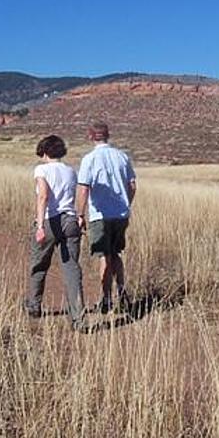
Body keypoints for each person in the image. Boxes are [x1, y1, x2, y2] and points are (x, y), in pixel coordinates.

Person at [25, 135, 86, 331]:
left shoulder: (41, 169)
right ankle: (78, 318)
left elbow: (43, 195)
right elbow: (77, 194)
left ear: (45, 151)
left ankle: (34, 306)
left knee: (39, 264)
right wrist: (80, 215)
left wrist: (40, 225)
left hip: (50, 220)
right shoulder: (70, 171)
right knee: (71, 269)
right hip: (70, 220)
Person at [75, 121, 137, 314]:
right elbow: (133, 185)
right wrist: (126, 203)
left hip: (100, 214)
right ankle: (122, 291)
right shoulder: (122, 156)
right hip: (120, 213)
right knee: (116, 253)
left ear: (91, 136)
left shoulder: (90, 159)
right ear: (108, 135)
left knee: (104, 255)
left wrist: (80, 214)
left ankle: (106, 299)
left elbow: (84, 187)